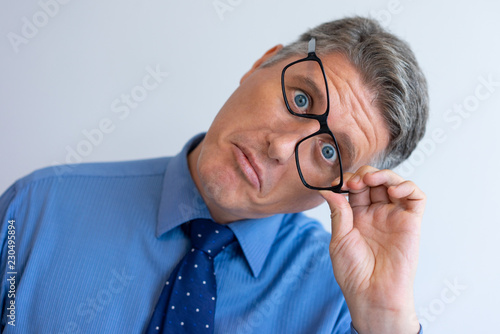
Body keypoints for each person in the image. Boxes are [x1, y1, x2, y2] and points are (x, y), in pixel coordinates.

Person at [0, 16, 428, 333]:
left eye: (328, 151)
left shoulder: (345, 308)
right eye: (300, 97)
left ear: (344, 189)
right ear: (260, 63)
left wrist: (385, 317)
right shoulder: (34, 211)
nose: (280, 147)